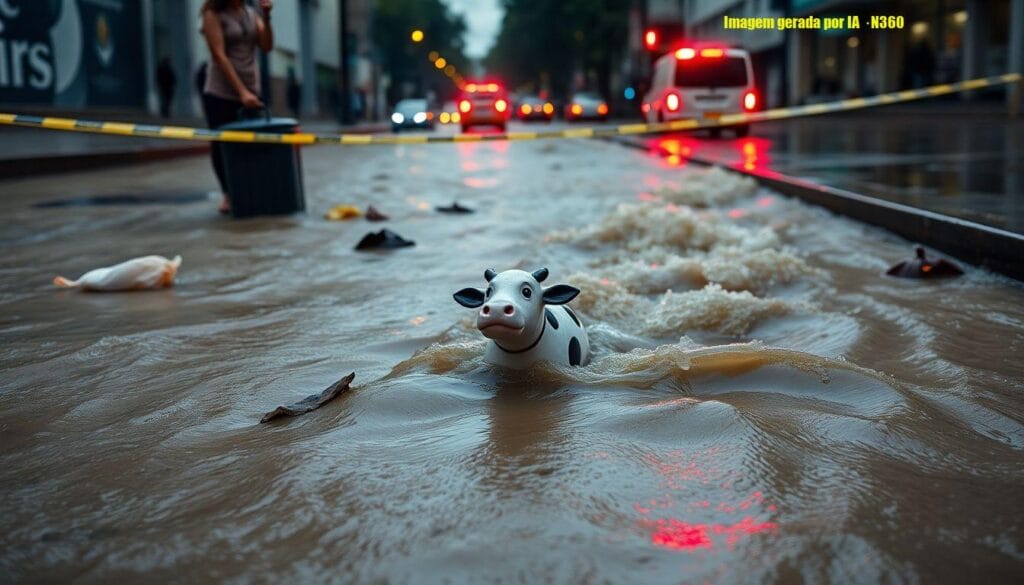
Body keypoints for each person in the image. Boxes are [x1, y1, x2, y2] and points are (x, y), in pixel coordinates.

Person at [200, 0, 274, 214]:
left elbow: (266, 46)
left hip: (251, 90)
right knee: (222, 145)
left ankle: (251, 190)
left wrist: (267, 17)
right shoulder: (213, 14)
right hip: (220, 92)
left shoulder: (250, 13)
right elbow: (218, 55)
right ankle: (228, 194)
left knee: (253, 145)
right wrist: (241, 92)